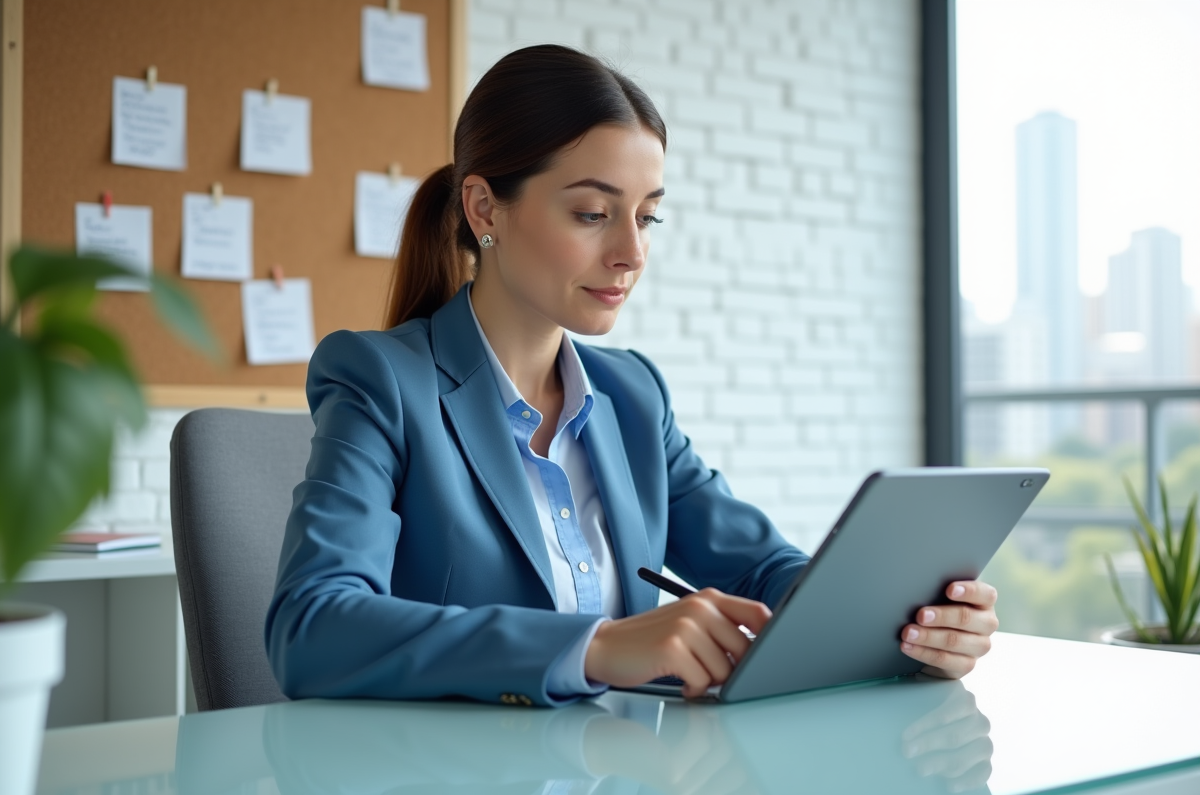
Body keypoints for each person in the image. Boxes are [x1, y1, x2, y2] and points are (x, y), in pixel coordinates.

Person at [264, 44, 999, 706]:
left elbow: (764, 569)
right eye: (593, 213)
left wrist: (908, 622)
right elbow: (312, 626)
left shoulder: (632, 396)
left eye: (647, 217)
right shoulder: (380, 379)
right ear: (484, 207)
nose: (631, 253)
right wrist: (596, 647)